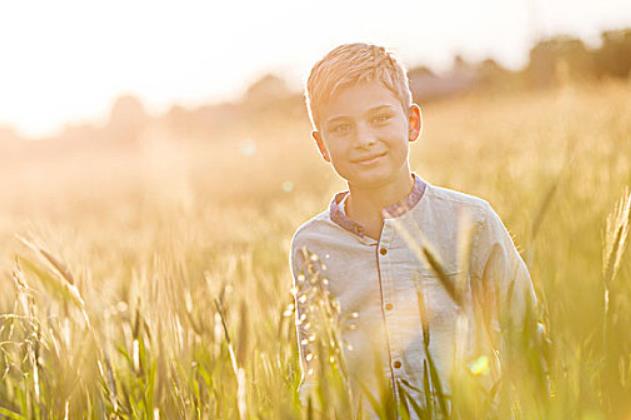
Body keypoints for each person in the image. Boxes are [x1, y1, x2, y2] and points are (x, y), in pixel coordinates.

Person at [288, 43, 539, 418]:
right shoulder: (311, 246)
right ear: (322, 145)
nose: (363, 139)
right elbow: (319, 372)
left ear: (412, 123)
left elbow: (527, 335)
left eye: (380, 118)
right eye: (342, 127)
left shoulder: (473, 221)